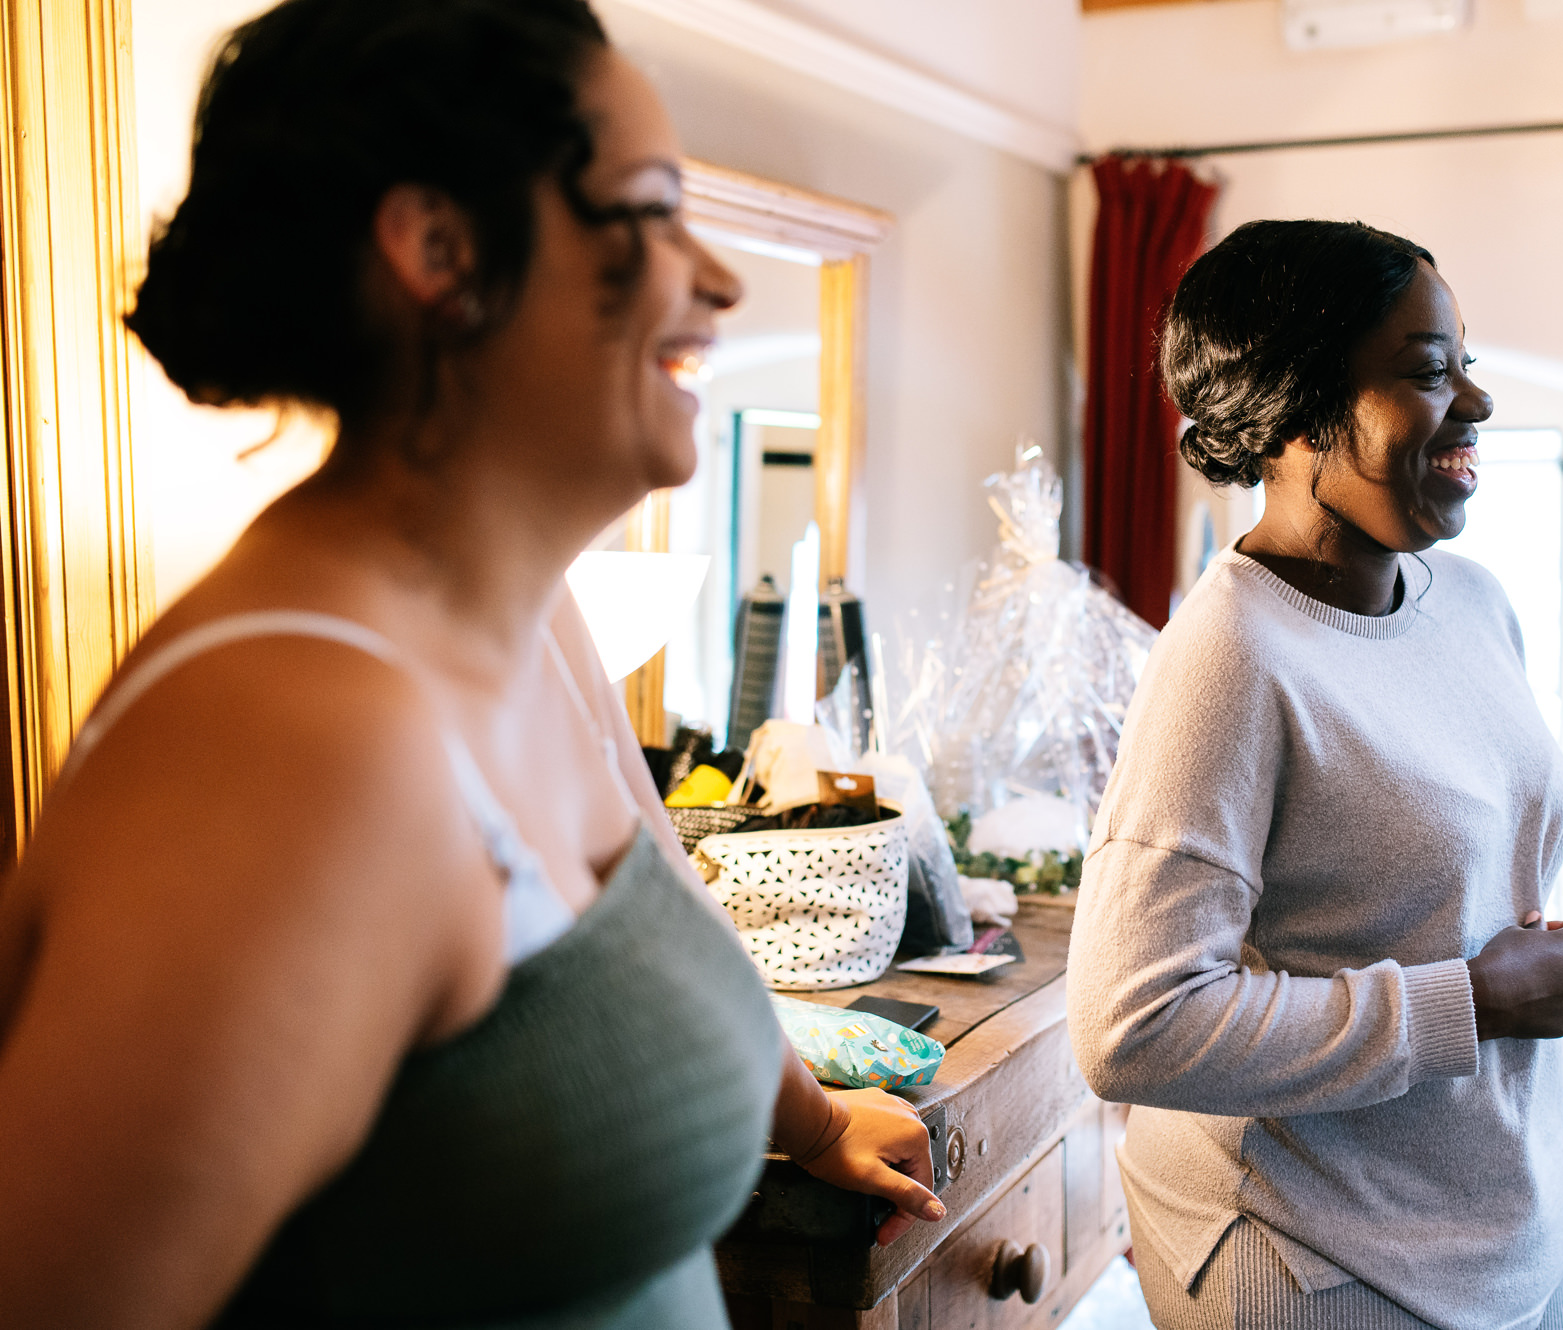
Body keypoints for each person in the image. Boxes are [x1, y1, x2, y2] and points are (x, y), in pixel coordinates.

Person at [0, 2, 944, 1326]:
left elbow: (655, 906)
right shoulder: (297, 746)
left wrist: (809, 1112)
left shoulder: (531, 616)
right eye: (655, 211)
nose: (719, 281)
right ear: (444, 252)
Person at [1069, 219, 1563, 1330]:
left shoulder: (1471, 604)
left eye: (1463, 362)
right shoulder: (1229, 658)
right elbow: (1128, 1026)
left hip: (1508, 1216)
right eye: (1427, 372)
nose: (1472, 400)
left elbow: (1502, 923)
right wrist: (1468, 1000)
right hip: (1316, 1251)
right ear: (1287, 410)